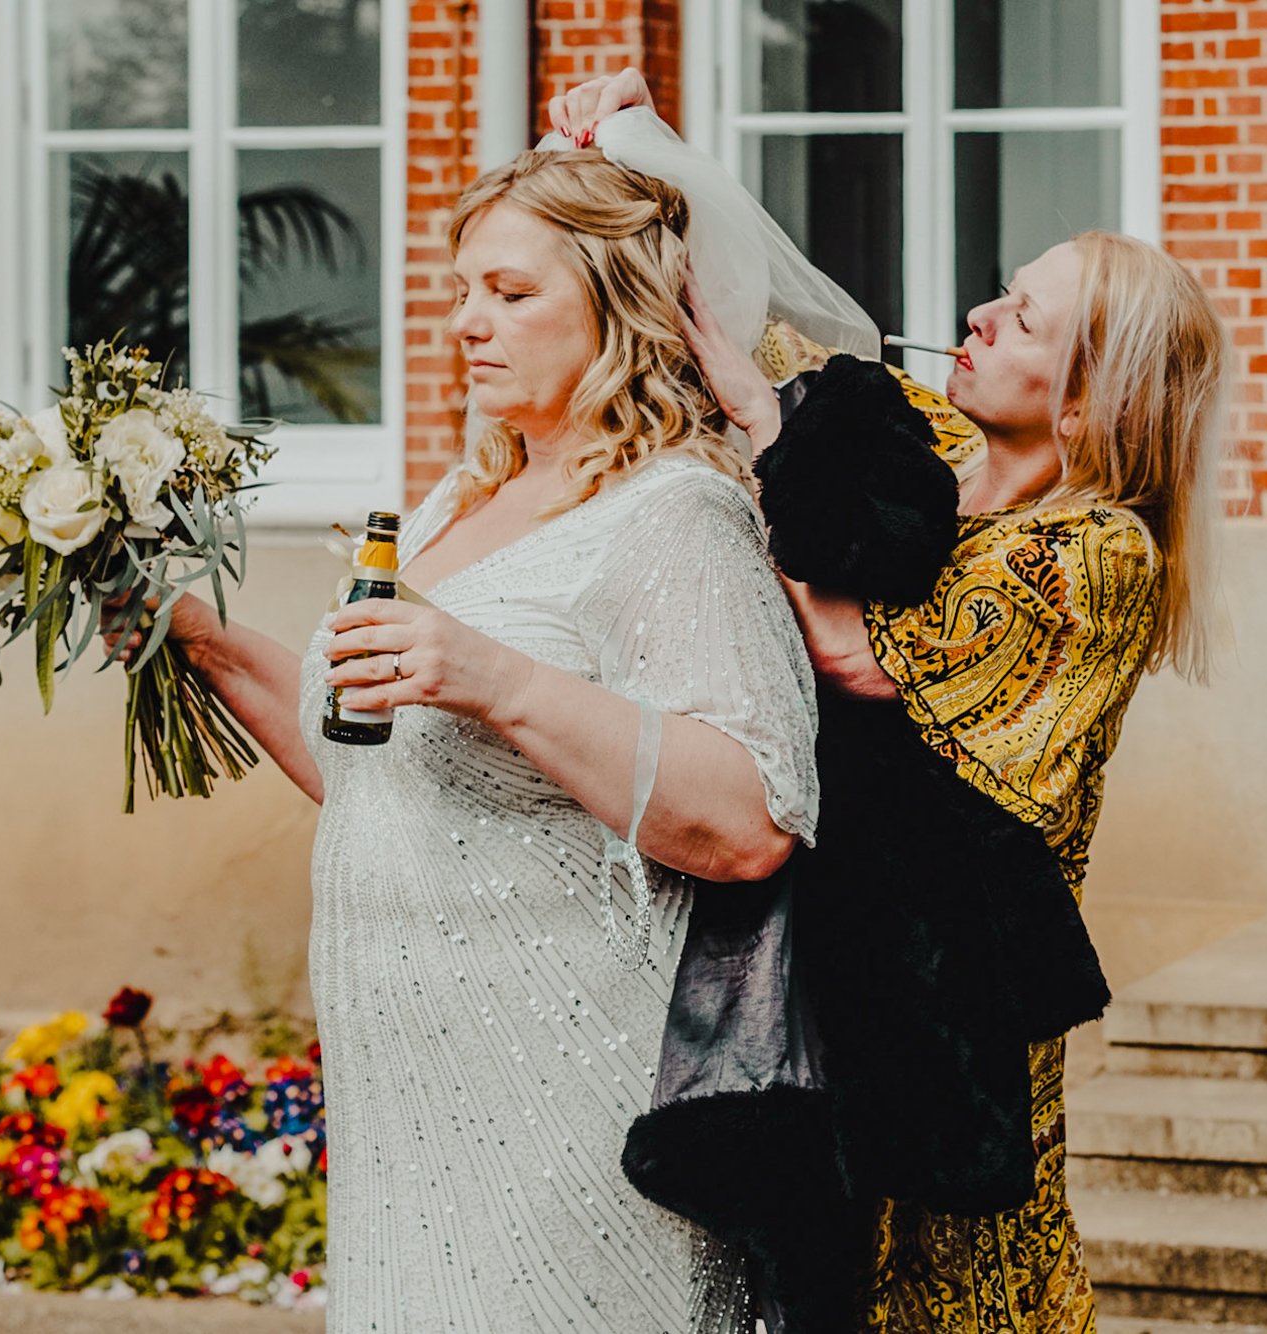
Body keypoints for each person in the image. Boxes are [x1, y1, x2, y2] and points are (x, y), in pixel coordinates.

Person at [554, 72, 1229, 1334]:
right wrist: (647, 150)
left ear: (1087, 401)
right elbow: (767, 339)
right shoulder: (940, 452)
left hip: (955, 987)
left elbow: (857, 651)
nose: (977, 312)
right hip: (848, 951)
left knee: (961, 1272)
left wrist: (772, 440)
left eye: (1021, 319)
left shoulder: (1097, 555)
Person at [108, 146, 820, 1331]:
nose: (465, 324)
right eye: (459, 291)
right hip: (407, 1084)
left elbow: (749, 820)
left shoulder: (673, 513)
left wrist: (491, 674)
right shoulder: (452, 505)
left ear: (616, 302)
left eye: (510, 292)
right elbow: (372, 777)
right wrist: (193, 634)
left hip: (566, 1078)